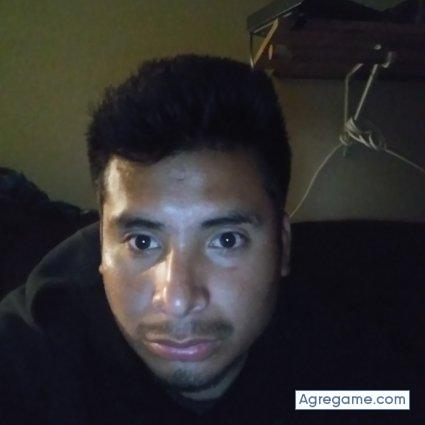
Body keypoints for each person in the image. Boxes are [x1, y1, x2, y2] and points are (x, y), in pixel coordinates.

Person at [0, 55, 422, 425]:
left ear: (282, 245)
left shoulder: (360, 352)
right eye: (143, 242)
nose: (178, 299)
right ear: (101, 245)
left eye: (226, 240)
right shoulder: (33, 354)